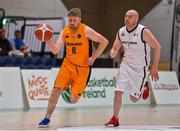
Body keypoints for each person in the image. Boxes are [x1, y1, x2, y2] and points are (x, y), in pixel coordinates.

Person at [38, 7, 108, 127]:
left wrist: (94, 57)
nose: (72, 23)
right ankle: (47, 118)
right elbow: (55, 50)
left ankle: (69, 88)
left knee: (73, 100)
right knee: (55, 91)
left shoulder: (86, 30)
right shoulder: (64, 32)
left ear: (79, 20)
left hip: (83, 68)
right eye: (70, 20)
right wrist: (48, 39)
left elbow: (104, 41)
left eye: (74, 20)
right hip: (68, 65)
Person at [105, 9, 161, 127]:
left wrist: (154, 67)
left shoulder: (143, 31)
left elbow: (157, 47)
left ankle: (144, 87)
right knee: (118, 91)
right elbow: (115, 47)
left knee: (133, 99)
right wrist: (113, 52)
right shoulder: (121, 31)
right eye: (125, 16)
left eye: (130, 16)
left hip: (140, 68)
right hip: (125, 65)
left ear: (136, 19)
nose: (126, 18)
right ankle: (115, 118)